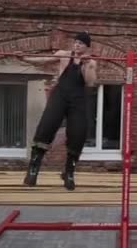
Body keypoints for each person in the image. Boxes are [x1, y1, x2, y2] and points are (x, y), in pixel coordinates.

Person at [16, 32, 97, 190]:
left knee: (79, 132)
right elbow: (43, 61)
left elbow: (91, 82)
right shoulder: (64, 55)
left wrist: (87, 65)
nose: (77, 45)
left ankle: (69, 172)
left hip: (78, 99)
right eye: (76, 42)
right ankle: (33, 169)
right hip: (60, 95)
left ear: (87, 46)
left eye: (81, 43)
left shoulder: (91, 62)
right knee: (47, 126)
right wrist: (24, 59)